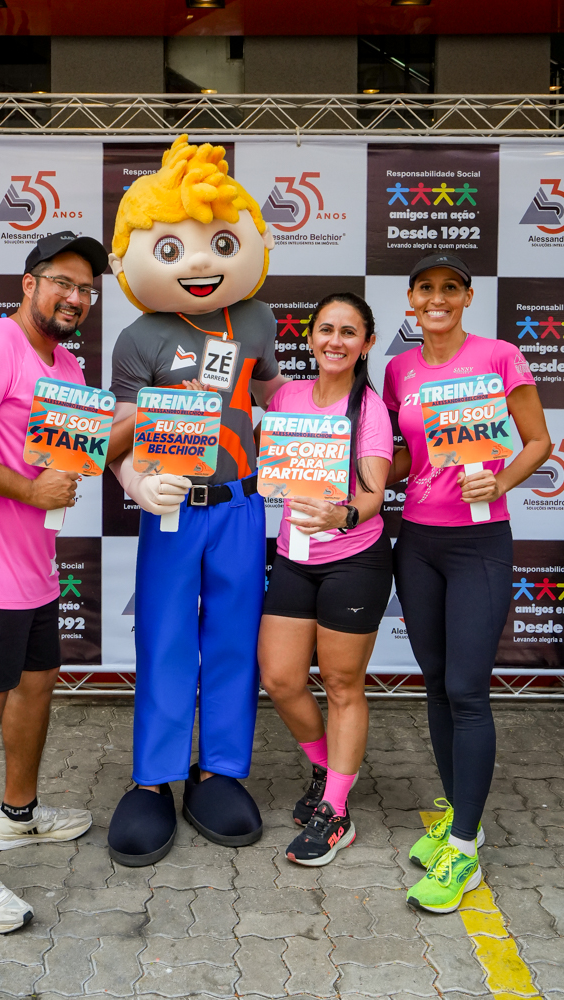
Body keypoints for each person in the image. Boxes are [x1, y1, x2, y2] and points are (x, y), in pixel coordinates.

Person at [0, 231, 131, 934]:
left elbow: (80, 455)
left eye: (86, 289)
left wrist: (150, 417)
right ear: (30, 282)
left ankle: (18, 816)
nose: (75, 297)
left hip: (30, 571)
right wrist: (27, 491)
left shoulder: (66, 363)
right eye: (63, 282)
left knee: (37, 685)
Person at [105, 135, 287, 865]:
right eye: (176, 249)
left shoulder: (259, 320)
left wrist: (299, 444)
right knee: (165, 638)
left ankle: (219, 771)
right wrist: (135, 484)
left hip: (242, 507)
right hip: (172, 510)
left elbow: (272, 397)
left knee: (234, 640)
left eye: (218, 242)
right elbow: (114, 438)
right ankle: (152, 780)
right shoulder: (136, 337)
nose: (205, 262)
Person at [383, 253, 551, 913]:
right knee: (433, 683)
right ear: (408, 301)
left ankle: (463, 852)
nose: (436, 298)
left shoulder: (499, 355)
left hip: (479, 540)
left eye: (448, 288)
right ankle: (464, 823)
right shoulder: (399, 368)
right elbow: (402, 456)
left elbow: (536, 441)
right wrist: (359, 472)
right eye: (424, 288)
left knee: (466, 690)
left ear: (467, 296)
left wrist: (500, 478)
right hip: (417, 540)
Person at [259, 293, 394, 866]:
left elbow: (373, 495)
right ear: (310, 338)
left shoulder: (371, 410)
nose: (335, 341)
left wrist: (341, 515)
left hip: (354, 560)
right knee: (281, 678)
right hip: (294, 555)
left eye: (349, 332)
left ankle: (336, 810)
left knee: (341, 685)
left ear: (365, 344)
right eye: (325, 330)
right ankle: (324, 765)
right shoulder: (287, 396)